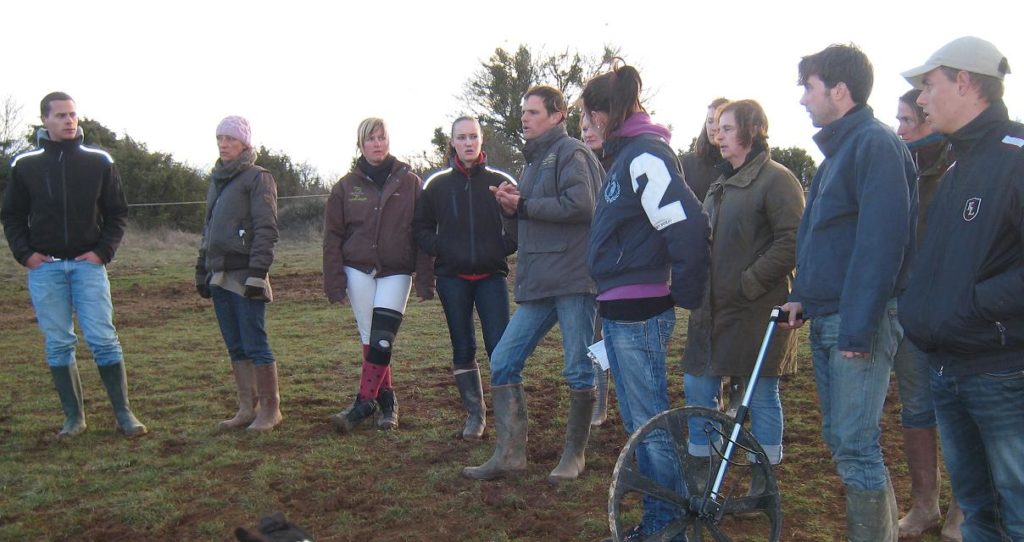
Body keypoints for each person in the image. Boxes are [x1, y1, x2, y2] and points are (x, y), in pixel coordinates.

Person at [780, 45, 917, 541]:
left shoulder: (874, 145)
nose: (802, 100)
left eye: (808, 88)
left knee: (856, 444)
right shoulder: (841, 153)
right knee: (843, 440)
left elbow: (881, 245)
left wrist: (858, 327)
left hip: (860, 322)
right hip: (832, 316)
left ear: (840, 90)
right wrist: (804, 298)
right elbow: (829, 242)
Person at [899, 36, 1023, 541]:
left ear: (965, 82)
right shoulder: (955, 168)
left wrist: (973, 308)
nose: (922, 100)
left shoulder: (1015, 158)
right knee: (976, 509)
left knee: (1017, 511)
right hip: (948, 366)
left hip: (1001, 370)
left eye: (929, 86)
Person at [582, 62, 711, 541]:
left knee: (650, 425)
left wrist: (687, 292)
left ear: (602, 115)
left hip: (638, 314)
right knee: (643, 423)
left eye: (587, 120)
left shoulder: (645, 156)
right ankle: (662, 522)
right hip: (622, 310)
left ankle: (667, 527)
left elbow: (688, 225)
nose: (586, 129)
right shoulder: (626, 159)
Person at [462, 85, 604, 483]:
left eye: (534, 112)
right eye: (524, 112)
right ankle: (509, 455)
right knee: (503, 360)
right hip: (541, 279)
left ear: (557, 116)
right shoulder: (533, 162)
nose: (525, 118)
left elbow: (583, 206)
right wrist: (510, 207)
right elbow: (529, 229)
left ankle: (573, 455)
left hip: (574, 278)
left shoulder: (573, 153)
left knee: (577, 368)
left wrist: (523, 204)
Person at [1, 91, 147, 438]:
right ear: (45, 120)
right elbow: (12, 215)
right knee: (58, 343)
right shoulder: (26, 165)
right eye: (61, 116)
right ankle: (74, 417)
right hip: (45, 269)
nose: (69, 121)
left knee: (103, 339)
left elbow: (117, 213)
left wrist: (102, 252)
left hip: (88, 267)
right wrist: (26, 254)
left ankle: (124, 414)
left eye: (72, 114)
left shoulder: (99, 161)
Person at [682, 100, 804, 486]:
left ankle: (762, 481)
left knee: (762, 390)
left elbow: (793, 241)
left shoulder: (777, 179)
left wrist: (749, 281)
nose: (718, 134)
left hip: (757, 310)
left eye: (728, 128)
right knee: (698, 385)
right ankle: (702, 473)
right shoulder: (720, 184)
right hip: (712, 309)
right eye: (716, 127)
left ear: (752, 131)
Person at [323, 118, 433, 433]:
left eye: (382, 138)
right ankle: (387, 403)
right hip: (357, 269)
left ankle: (363, 402)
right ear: (360, 144)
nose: (377, 144)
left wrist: (426, 277)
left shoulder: (410, 182)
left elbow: (423, 230)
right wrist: (333, 279)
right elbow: (332, 236)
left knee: (383, 337)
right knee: (370, 338)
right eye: (370, 139)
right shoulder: (345, 186)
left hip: (396, 270)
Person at [413, 116, 517, 440]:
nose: (468, 143)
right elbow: (420, 228)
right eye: (462, 137)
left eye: (473, 136)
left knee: (500, 348)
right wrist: (442, 248)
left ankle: (507, 417)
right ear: (453, 142)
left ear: (481, 140)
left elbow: (519, 223)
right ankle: (475, 415)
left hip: (491, 277)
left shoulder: (501, 181)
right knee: (462, 346)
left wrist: (502, 246)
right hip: (452, 278)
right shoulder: (437, 185)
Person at [892, 89, 963, 540]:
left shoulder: (963, 168)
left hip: (955, 315)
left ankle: (964, 507)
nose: (898, 128)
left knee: (961, 408)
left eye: (905, 119)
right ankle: (924, 505)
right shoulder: (900, 169)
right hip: (907, 311)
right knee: (916, 407)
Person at [195, 116, 283, 432]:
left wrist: (258, 272)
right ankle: (248, 407)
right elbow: (208, 229)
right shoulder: (218, 179)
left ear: (244, 142)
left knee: (255, 341)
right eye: (219, 137)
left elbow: (266, 228)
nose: (223, 143)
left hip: (246, 274)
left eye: (230, 138)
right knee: (235, 345)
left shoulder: (258, 178)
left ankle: (270, 410)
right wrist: (201, 267)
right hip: (218, 275)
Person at [578, 111, 611, 427]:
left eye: (593, 126)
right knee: (594, 336)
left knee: (609, 336)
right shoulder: (580, 164)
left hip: (618, 268)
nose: (588, 133)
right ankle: (599, 403)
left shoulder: (620, 162)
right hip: (587, 267)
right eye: (583, 128)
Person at [680, 97, 729, 202]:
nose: (714, 127)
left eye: (719, 121)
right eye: (710, 121)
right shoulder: (688, 163)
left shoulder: (738, 164)